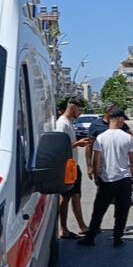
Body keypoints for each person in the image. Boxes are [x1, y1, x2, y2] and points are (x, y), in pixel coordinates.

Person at [79, 108, 133, 248]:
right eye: (123, 120)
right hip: (124, 180)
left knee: (98, 210)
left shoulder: (101, 138)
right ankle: (117, 239)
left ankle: (90, 238)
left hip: (107, 180)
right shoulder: (127, 138)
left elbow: (96, 159)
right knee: (122, 211)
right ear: (119, 120)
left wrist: (97, 175)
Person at [85, 103, 133, 180]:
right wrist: (89, 166)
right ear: (109, 112)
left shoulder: (120, 124)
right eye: (116, 110)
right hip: (102, 172)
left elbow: (132, 135)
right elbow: (89, 146)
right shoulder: (95, 125)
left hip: (121, 172)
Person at [54, 97, 93, 239]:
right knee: (66, 198)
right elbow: (58, 147)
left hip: (73, 165)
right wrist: (78, 144)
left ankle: (82, 226)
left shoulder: (70, 122)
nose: (81, 113)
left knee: (76, 196)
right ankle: (63, 229)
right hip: (66, 167)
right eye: (80, 110)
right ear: (72, 107)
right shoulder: (62, 124)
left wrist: (77, 143)